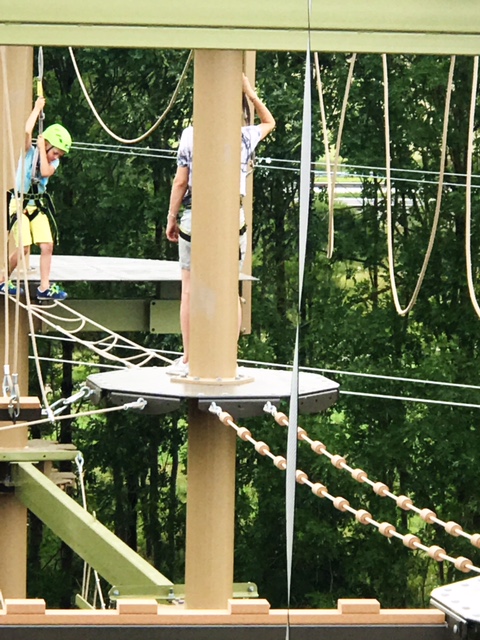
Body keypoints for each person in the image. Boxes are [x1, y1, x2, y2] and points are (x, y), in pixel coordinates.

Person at [165, 74, 275, 376]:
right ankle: (229, 359)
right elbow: (269, 122)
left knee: (189, 289)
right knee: (230, 288)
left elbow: (180, 181)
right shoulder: (244, 136)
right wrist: (250, 93)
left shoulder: (191, 134)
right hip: (231, 216)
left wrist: (172, 217)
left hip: (196, 214)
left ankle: (189, 358)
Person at [1, 96, 71, 300]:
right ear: (48, 144)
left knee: (47, 245)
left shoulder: (52, 163)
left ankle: (44, 287)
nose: (56, 157)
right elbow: (27, 131)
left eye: (59, 155)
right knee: (24, 247)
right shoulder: (28, 152)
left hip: (36, 206)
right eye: (55, 152)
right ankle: (3, 279)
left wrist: (43, 149)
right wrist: (37, 108)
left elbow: (46, 172)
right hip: (20, 204)